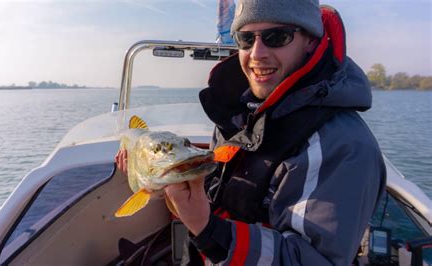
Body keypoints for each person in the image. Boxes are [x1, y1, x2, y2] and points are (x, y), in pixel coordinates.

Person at [117, 0, 386, 264]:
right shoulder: (240, 110)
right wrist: (163, 177)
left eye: (277, 36)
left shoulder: (344, 147)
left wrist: (208, 229)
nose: (256, 53)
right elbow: (217, 190)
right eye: (246, 38)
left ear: (311, 40)